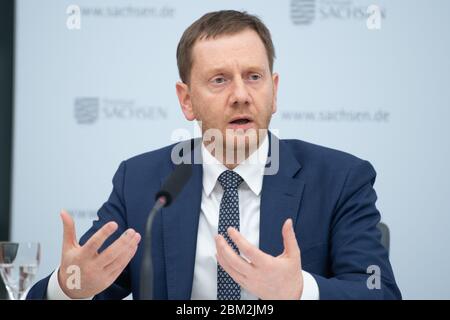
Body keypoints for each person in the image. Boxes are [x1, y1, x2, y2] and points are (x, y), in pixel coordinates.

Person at [27, 10, 401, 300]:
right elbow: (89, 278)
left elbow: (378, 292)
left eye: (254, 77)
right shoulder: (142, 183)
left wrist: (299, 290)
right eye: (219, 80)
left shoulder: (339, 179)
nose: (240, 94)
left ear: (274, 90)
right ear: (186, 101)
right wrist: (70, 286)